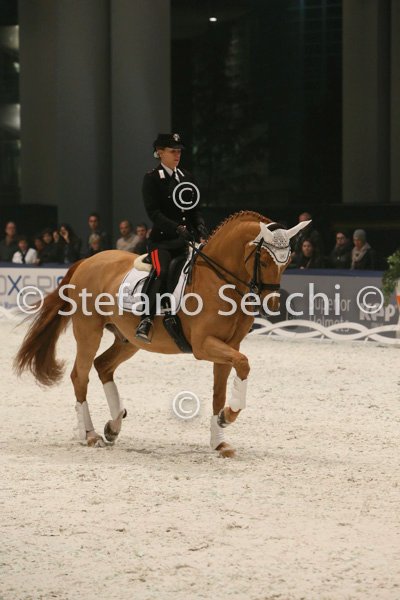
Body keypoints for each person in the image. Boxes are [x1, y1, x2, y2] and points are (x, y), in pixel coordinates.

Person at [135, 132, 208, 343]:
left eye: (179, 152)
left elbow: (194, 208)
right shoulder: (151, 178)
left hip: (186, 241)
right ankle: (146, 319)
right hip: (162, 242)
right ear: (160, 153)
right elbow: (154, 213)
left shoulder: (186, 177)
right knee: (162, 271)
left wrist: (200, 226)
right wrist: (176, 228)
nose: (177, 155)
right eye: (172, 151)